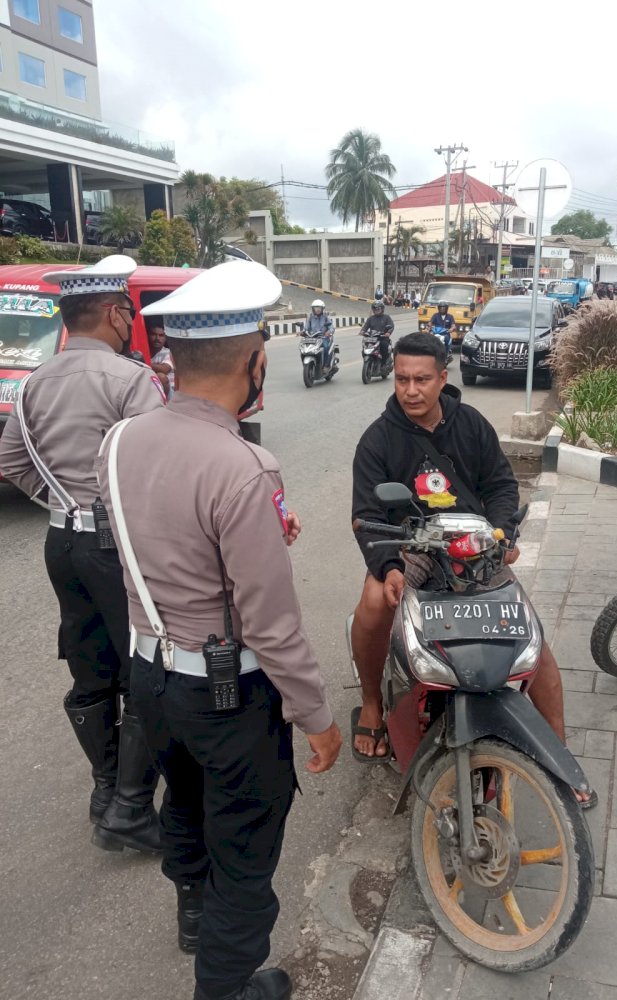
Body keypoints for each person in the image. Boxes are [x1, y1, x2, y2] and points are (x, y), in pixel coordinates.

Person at [99, 259, 342, 1000]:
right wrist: (318, 718)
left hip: (150, 679)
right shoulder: (243, 467)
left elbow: (154, 542)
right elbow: (271, 625)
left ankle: (193, 916)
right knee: (245, 848)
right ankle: (226, 987)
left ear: (174, 356)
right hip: (227, 696)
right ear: (254, 360)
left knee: (188, 803)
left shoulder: (121, 442)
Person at [349, 332, 595, 809]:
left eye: (422, 379)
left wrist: (502, 534)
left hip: (472, 547)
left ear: (443, 377)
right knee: (375, 602)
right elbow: (365, 517)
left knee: (533, 641)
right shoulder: (377, 440)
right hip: (410, 548)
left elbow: (502, 486)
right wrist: (390, 566)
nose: (411, 390)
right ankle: (373, 702)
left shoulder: (472, 426)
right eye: (402, 379)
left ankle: (560, 757)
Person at [0, 255, 166, 852]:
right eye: (127, 311)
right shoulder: (131, 380)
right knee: (146, 668)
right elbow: (155, 470)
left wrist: (65, 501)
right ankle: (129, 806)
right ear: (112, 312)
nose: (130, 321)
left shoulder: (34, 384)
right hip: (116, 544)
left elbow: (11, 461)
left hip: (61, 541)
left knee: (90, 663)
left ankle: (104, 786)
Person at [146, 314, 176, 398]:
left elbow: (164, 369)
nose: (157, 338)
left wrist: (142, 363)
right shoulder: (143, 351)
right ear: (148, 335)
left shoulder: (168, 352)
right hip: (150, 392)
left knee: (161, 376)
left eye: (161, 335)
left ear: (165, 338)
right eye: (153, 334)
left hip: (169, 396)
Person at [302, 298, 334, 372]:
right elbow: (306, 328)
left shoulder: (325, 318)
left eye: (319, 308)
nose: (317, 310)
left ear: (322, 309)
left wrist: (328, 332)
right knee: (304, 348)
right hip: (313, 338)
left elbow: (332, 328)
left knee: (325, 348)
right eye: (316, 308)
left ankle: (326, 365)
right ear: (313, 309)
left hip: (323, 338)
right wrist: (302, 332)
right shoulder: (311, 318)